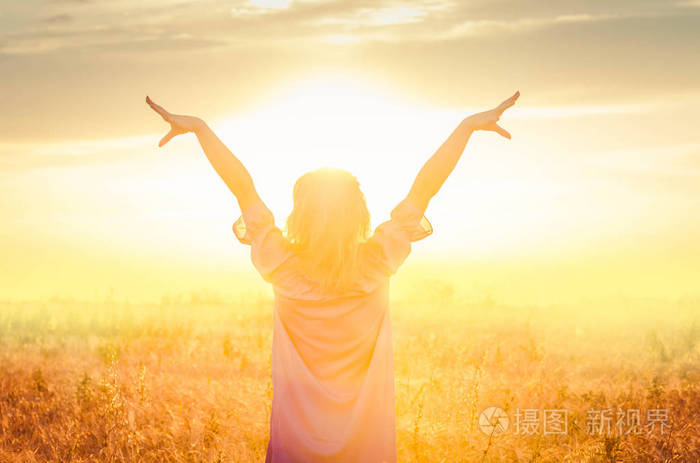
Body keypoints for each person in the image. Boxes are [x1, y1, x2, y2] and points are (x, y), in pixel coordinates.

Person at [146, 90, 519, 463]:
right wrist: (466, 127)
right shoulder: (377, 261)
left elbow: (242, 187)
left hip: (296, 442)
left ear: (298, 215)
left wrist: (200, 128)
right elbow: (425, 188)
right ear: (359, 213)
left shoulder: (281, 264)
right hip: (366, 444)